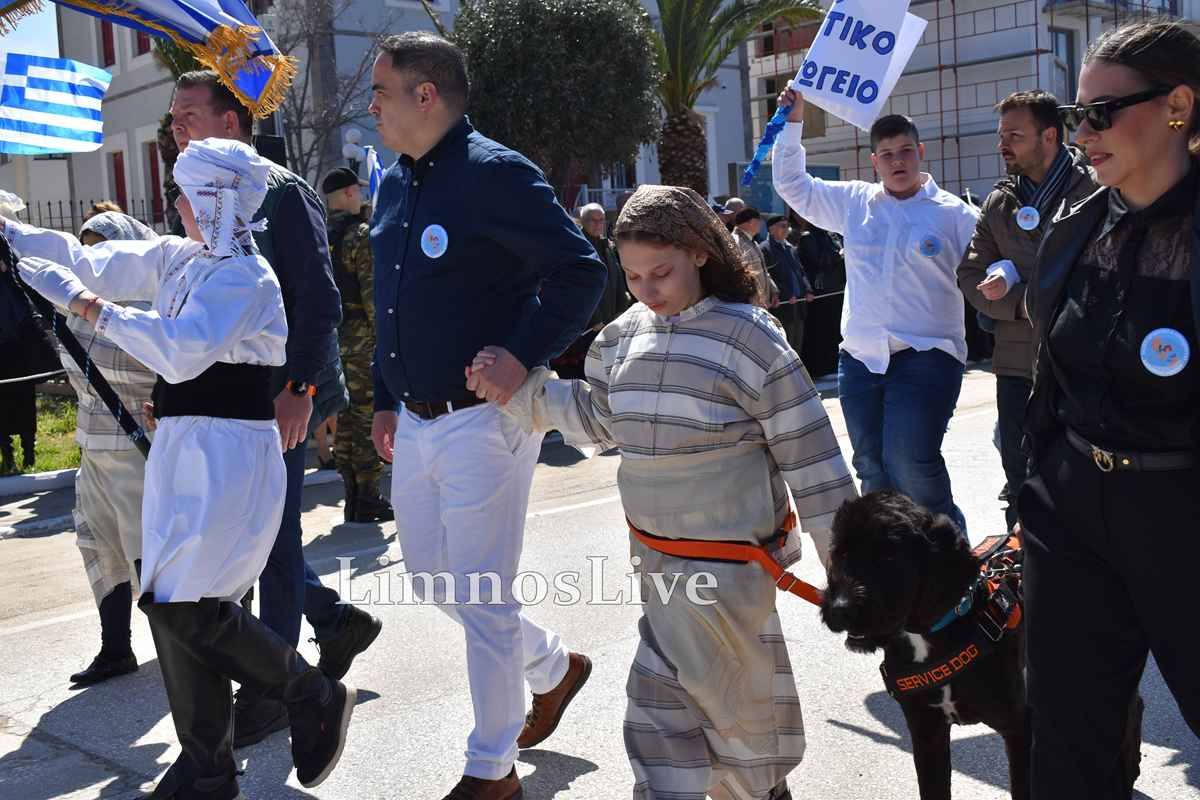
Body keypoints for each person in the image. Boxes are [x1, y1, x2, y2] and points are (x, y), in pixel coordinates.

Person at [473, 184, 857, 799]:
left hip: (734, 577)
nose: (647, 290)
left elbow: (812, 455)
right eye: (631, 276)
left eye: (661, 273)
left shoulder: (750, 336)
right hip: (660, 569)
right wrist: (521, 392)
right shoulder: (621, 337)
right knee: (657, 723)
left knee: (736, 726)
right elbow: (599, 418)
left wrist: (852, 568)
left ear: (700, 253)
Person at [6, 137, 356, 799]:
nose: (176, 205)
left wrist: (86, 307)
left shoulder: (247, 276)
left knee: (189, 606)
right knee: (167, 601)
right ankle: (208, 766)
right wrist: (11, 234)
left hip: (229, 455)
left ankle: (307, 692)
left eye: (188, 194)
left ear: (219, 200)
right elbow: (86, 257)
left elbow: (180, 353)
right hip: (186, 448)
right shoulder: (183, 258)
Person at [367, 32, 605, 799]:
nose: (371, 105)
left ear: (425, 95)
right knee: (437, 582)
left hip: (483, 420)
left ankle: (490, 769)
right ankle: (551, 666)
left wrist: (523, 354)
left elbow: (580, 271)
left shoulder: (496, 175)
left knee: (481, 593)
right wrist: (383, 396)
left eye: (381, 91)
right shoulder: (394, 184)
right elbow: (394, 299)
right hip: (417, 417)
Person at [168, 70, 380, 747]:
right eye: (173, 119)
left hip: (279, 398)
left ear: (232, 123)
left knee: (275, 542)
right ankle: (329, 623)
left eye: (189, 114)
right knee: (251, 543)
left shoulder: (281, 194)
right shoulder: (197, 195)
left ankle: (275, 692)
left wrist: (302, 390)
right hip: (222, 403)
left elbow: (317, 302)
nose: (177, 128)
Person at [1017, 20, 1200, 799]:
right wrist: (1040, 484)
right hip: (1073, 508)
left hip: (1184, 513)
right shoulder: (1077, 225)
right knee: (1065, 741)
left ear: (1178, 106)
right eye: (1076, 110)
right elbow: (1054, 372)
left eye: (1101, 111)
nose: (1079, 131)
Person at [773, 90, 979, 532]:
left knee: (910, 462)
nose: (897, 161)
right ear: (874, 162)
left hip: (927, 354)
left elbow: (990, 257)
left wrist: (1002, 274)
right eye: (886, 154)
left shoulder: (954, 215)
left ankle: (954, 566)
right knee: (872, 469)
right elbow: (793, 186)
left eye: (905, 151)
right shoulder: (854, 202)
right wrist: (793, 122)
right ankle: (896, 569)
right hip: (862, 359)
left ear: (920, 152)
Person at [957, 90, 1096, 529]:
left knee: (1084, 481)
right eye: (1001, 135)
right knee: (1021, 483)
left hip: (1082, 361)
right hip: (1017, 365)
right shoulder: (1001, 203)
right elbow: (969, 273)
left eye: (1014, 135)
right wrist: (1020, 306)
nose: (1003, 145)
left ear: (1049, 136)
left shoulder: (1095, 189)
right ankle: (1028, 584)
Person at [50, 212, 160, 688]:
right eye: (87, 250)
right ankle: (115, 648)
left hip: (141, 448)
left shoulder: (151, 312)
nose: (94, 261)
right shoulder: (76, 304)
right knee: (98, 544)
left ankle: (184, 655)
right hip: (94, 446)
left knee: (147, 552)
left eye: (103, 250)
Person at [322, 166, 394, 524]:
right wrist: (384, 340)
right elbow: (372, 295)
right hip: (361, 339)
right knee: (366, 413)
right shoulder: (360, 235)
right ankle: (368, 494)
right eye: (360, 191)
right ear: (350, 194)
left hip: (334, 339)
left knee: (348, 416)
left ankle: (351, 491)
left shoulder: (323, 235)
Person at [760, 214, 815, 355]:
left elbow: (800, 272)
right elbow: (769, 278)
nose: (787, 229)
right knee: (785, 346)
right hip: (783, 306)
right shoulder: (765, 249)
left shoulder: (790, 248)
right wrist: (786, 295)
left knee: (798, 343)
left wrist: (808, 290)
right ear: (771, 229)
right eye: (782, 226)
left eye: (787, 226)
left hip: (799, 303)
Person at [578, 202, 630, 328]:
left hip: (611, 316)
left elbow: (617, 277)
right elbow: (581, 286)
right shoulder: (579, 247)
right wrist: (594, 319)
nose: (598, 224)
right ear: (583, 221)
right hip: (592, 324)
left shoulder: (606, 245)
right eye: (593, 220)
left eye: (601, 220)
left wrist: (621, 309)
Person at [731, 206, 777, 307]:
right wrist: (755, 299)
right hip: (751, 306)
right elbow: (741, 276)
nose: (761, 224)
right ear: (752, 222)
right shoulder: (736, 242)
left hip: (760, 304)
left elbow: (764, 271)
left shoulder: (753, 242)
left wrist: (773, 291)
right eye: (759, 221)